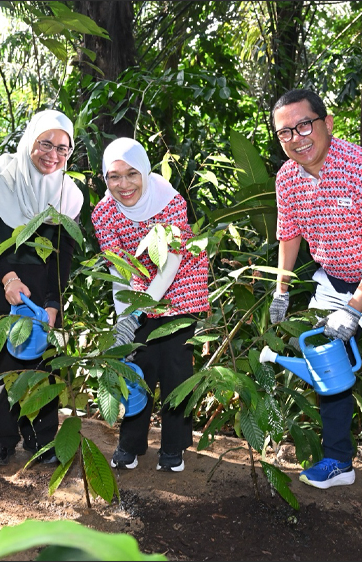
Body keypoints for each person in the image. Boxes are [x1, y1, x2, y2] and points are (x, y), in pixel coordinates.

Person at [268, 89, 362, 530]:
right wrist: (281, 291)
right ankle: (338, 460)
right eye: (285, 132)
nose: (297, 138)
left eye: (304, 125)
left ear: (327, 123)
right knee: (326, 368)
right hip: (332, 278)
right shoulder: (287, 178)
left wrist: (354, 309)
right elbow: (289, 235)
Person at [0, 109, 83, 467]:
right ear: (30, 140)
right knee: (1, 359)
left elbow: (63, 255)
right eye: (46, 144)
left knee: (43, 359)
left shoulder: (68, 194)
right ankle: (0, 440)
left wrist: (53, 303)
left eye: (63, 148)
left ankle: (42, 437)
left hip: (43, 282)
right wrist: (8, 278)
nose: (53, 155)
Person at [91, 137, 209, 472]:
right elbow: (118, 270)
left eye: (132, 174)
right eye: (114, 176)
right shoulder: (103, 213)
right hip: (137, 288)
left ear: (144, 171)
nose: (124, 184)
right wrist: (125, 319)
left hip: (181, 286)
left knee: (175, 366)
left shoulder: (170, 202)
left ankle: (173, 447)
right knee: (136, 365)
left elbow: (170, 264)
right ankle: (130, 444)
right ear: (105, 178)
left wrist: (138, 311)